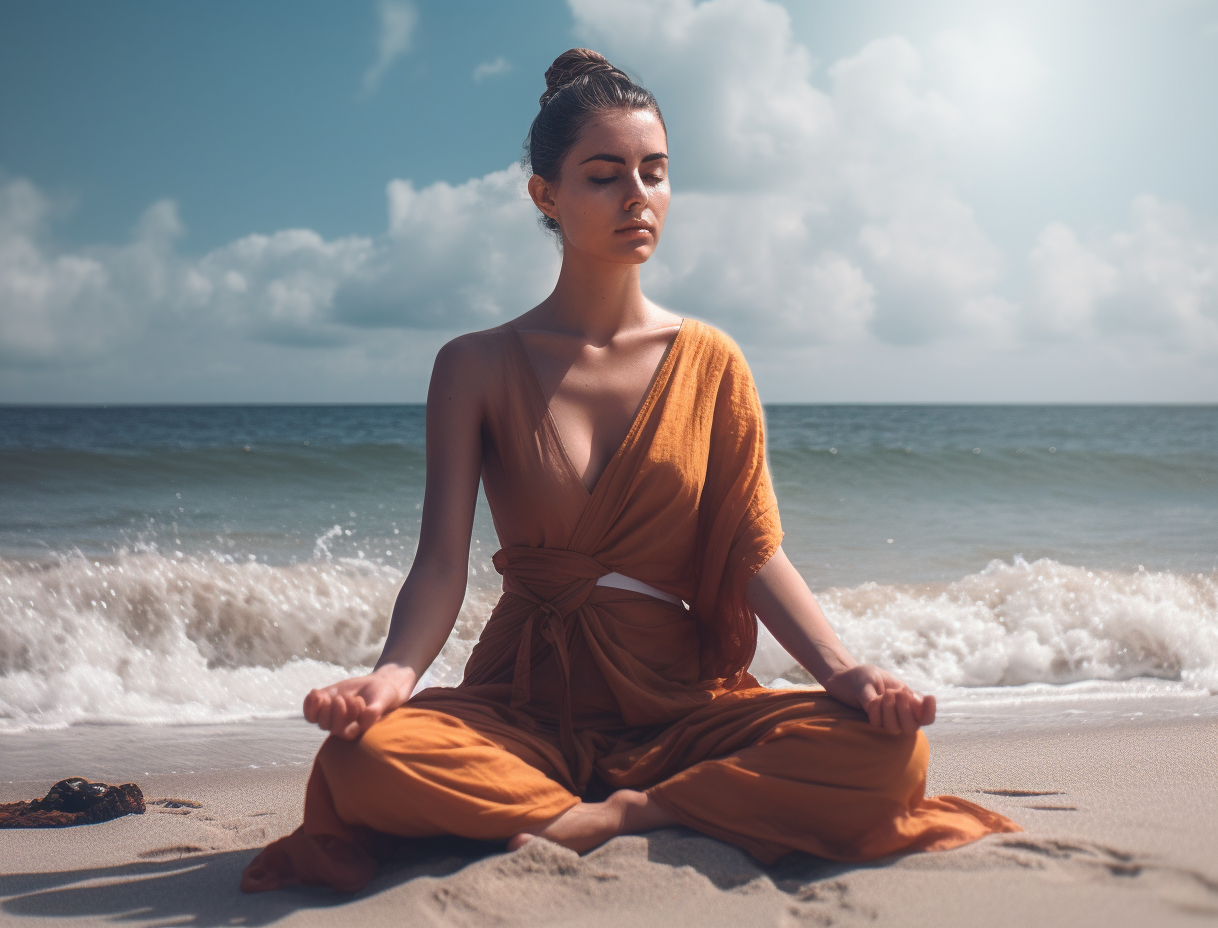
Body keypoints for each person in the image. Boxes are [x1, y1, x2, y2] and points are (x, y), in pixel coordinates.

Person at [241, 48, 1017, 894]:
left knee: (888, 749)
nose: (637, 196)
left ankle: (612, 815)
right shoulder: (474, 365)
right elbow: (441, 563)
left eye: (654, 172)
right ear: (546, 194)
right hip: (524, 698)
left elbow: (754, 552)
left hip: (677, 700)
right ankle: (599, 801)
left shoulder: (713, 362)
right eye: (605, 175)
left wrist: (843, 671)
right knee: (363, 760)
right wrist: (390, 679)